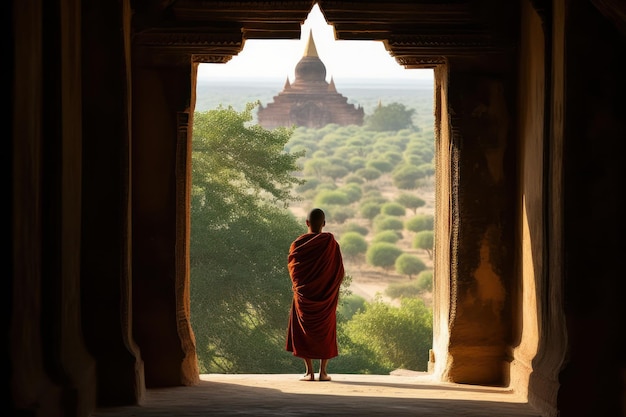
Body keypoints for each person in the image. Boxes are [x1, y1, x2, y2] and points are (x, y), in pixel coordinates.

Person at [285, 208, 345, 381]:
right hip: (326, 297)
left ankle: (309, 372)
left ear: (307, 223)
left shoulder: (298, 244)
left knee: (304, 331)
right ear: (324, 224)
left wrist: (301, 289)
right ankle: (323, 372)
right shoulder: (331, 244)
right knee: (325, 331)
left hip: (304, 296)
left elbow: (294, 271)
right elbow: (339, 272)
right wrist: (330, 290)